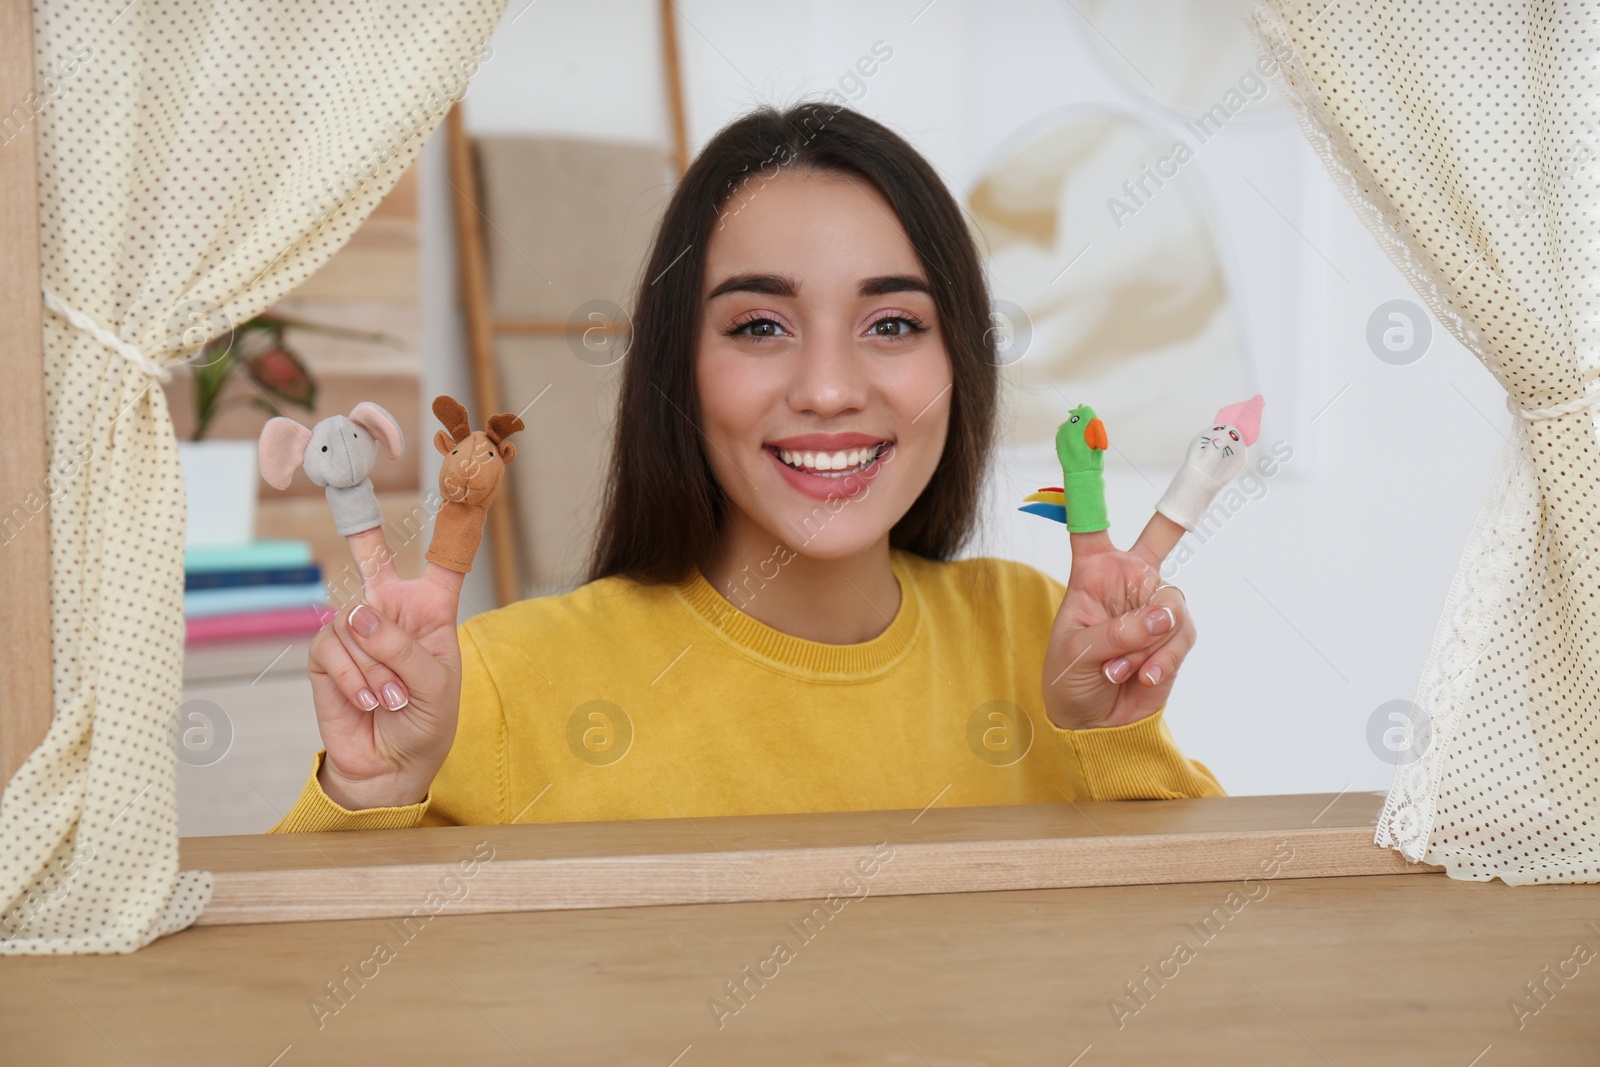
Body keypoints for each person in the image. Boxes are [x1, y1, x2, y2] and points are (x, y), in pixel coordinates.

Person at [269, 103, 1222, 833]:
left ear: (958, 366)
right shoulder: (492, 685)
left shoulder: (1035, 636)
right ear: (676, 368)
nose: (828, 388)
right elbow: (281, 1004)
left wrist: (1108, 742)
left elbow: (1206, 977)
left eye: (892, 324)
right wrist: (373, 789)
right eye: (760, 325)